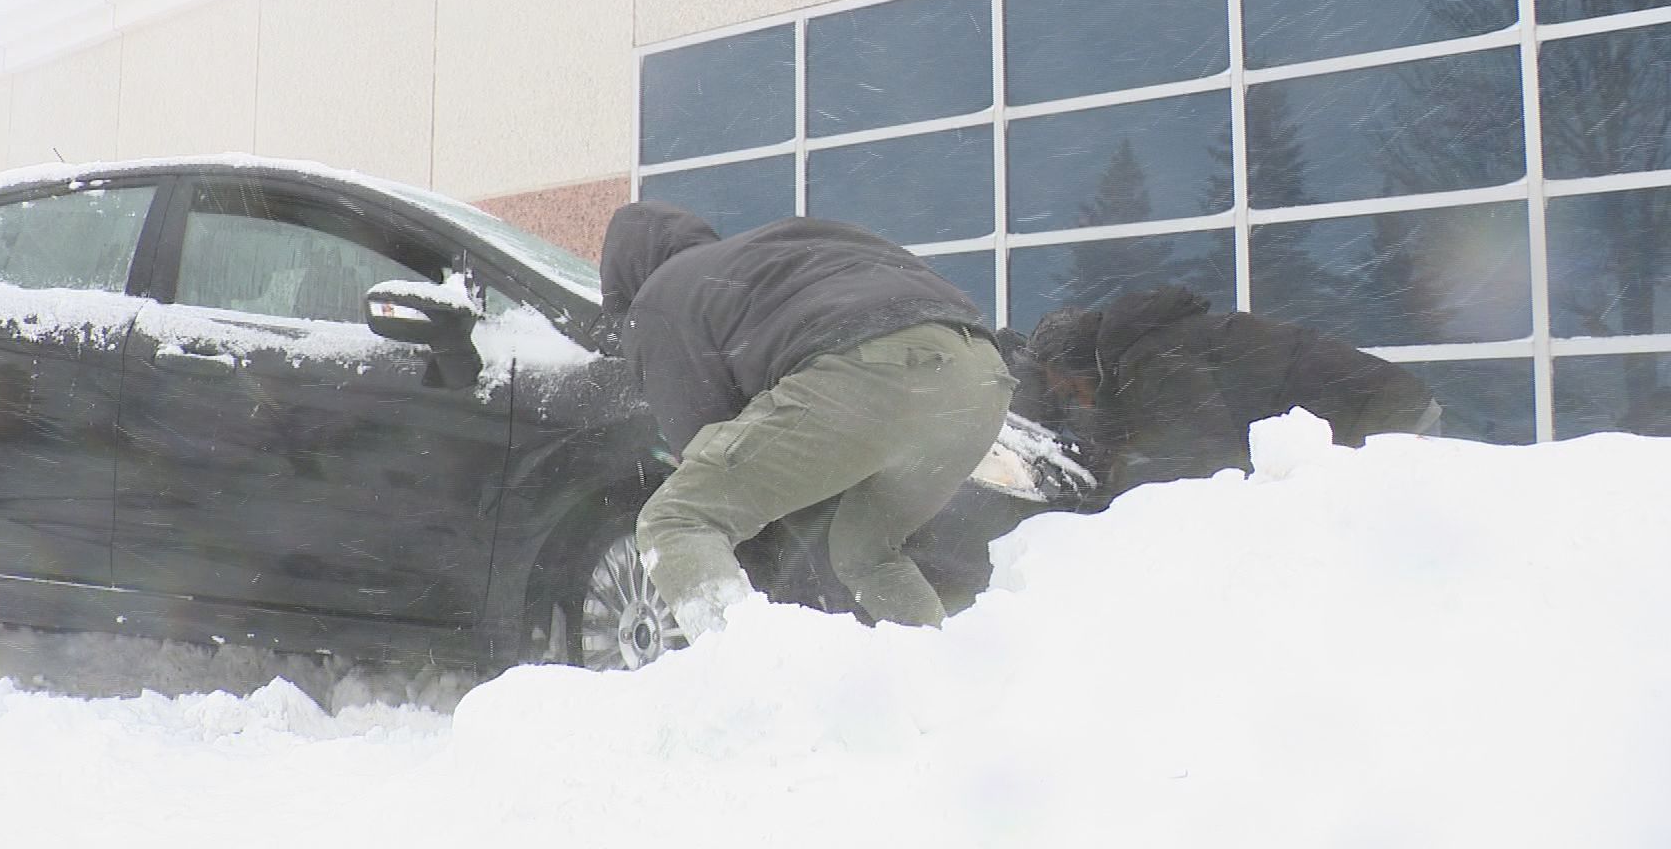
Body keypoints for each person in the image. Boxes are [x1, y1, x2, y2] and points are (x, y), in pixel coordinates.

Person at [600, 202, 1015, 640]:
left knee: (678, 518)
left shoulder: (659, 298)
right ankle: (936, 663)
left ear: (625, 278)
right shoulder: (767, 254)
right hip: (981, 378)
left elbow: (703, 437)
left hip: (872, 372)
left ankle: (743, 668)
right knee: (866, 556)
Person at [1014, 285, 1440, 499]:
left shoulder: (1155, 359)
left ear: (1083, 365)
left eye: (1071, 389)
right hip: (1380, 411)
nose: (1078, 402)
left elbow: (1202, 460)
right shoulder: (1147, 353)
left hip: (1384, 420)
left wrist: (1110, 495)